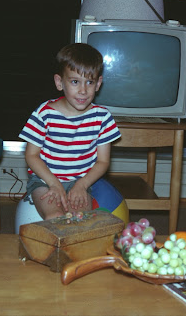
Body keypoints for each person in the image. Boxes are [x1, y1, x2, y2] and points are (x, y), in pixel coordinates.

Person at [19, 43, 121, 220]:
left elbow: (103, 161)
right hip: (45, 180)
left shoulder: (102, 117)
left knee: (80, 219)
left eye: (89, 82)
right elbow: (31, 155)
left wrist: (82, 184)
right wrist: (53, 183)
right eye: (75, 82)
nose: (83, 90)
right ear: (59, 82)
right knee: (56, 217)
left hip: (80, 181)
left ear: (98, 84)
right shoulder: (44, 114)